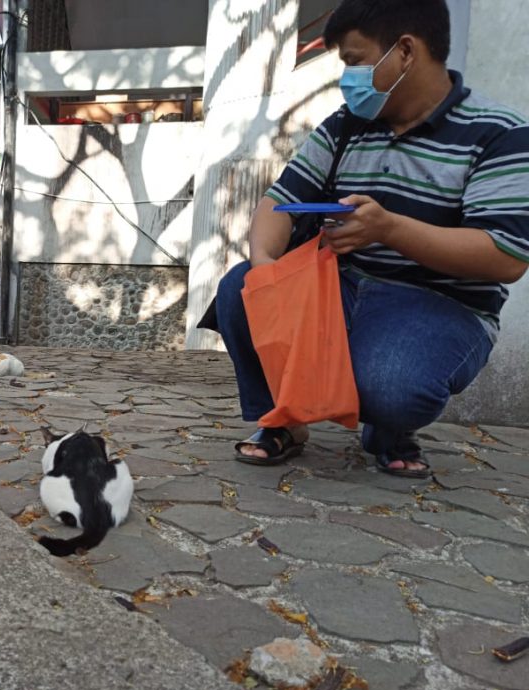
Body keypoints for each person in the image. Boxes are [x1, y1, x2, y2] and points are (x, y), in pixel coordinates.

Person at [214, 0, 529, 477]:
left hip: (439, 303)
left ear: (404, 51)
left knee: (391, 384)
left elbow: (505, 256)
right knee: (241, 289)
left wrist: (390, 229)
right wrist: (265, 269)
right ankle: (283, 419)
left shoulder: (499, 134)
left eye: (355, 62)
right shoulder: (345, 126)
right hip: (338, 286)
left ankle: (389, 427)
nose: (348, 79)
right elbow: (278, 202)